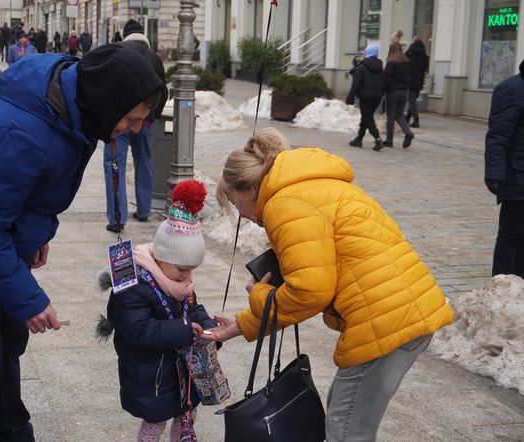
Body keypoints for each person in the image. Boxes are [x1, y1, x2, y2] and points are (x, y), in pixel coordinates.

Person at [0, 45, 164, 442]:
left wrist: (36, 235)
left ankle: (13, 428)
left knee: (7, 341)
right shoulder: (21, 130)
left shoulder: (79, 109)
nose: (135, 129)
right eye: (132, 119)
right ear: (109, 102)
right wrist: (31, 300)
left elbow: (38, 188)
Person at [205, 128, 454, 442]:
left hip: (384, 320)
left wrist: (260, 295)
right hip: (399, 311)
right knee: (343, 414)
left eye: (234, 202)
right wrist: (240, 325)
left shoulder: (285, 204)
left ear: (249, 188)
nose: (241, 213)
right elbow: (313, 281)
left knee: (347, 432)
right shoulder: (313, 186)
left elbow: (309, 291)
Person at [97, 180, 217, 441]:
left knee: (186, 417)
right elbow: (140, 330)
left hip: (182, 371)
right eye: (181, 269)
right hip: (151, 374)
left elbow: (191, 308)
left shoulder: (178, 282)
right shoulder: (134, 287)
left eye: (190, 270)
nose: (187, 276)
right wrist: (185, 329)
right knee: (154, 423)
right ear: (160, 256)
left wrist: (207, 325)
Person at [103, 18, 167, 232]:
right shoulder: (155, 58)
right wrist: (151, 116)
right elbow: (163, 91)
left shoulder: (119, 51)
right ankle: (144, 210)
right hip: (146, 122)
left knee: (114, 164)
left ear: (126, 34)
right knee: (144, 162)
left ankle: (117, 219)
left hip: (119, 121)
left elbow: (108, 86)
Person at [485, 58, 524, 278]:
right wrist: (494, 173)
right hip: (518, 177)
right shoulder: (512, 89)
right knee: (512, 236)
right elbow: (498, 136)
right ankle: (501, 288)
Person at [346, 44, 385, 151]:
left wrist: (350, 97)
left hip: (365, 97)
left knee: (367, 118)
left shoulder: (362, 67)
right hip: (376, 97)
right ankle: (359, 139)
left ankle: (378, 140)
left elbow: (356, 84)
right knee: (366, 117)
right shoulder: (380, 68)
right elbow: (384, 83)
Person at [383, 41, 414, 148]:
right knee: (399, 115)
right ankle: (408, 133)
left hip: (392, 92)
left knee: (391, 116)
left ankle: (389, 140)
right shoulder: (406, 62)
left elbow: (386, 79)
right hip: (404, 92)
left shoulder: (391, 63)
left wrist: (383, 90)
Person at [405, 36, 429, 128]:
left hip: (410, 79)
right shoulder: (424, 56)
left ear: (413, 42)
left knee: (411, 100)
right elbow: (425, 68)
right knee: (413, 99)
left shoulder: (409, 53)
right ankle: (407, 117)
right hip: (419, 80)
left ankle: (416, 119)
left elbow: (405, 65)